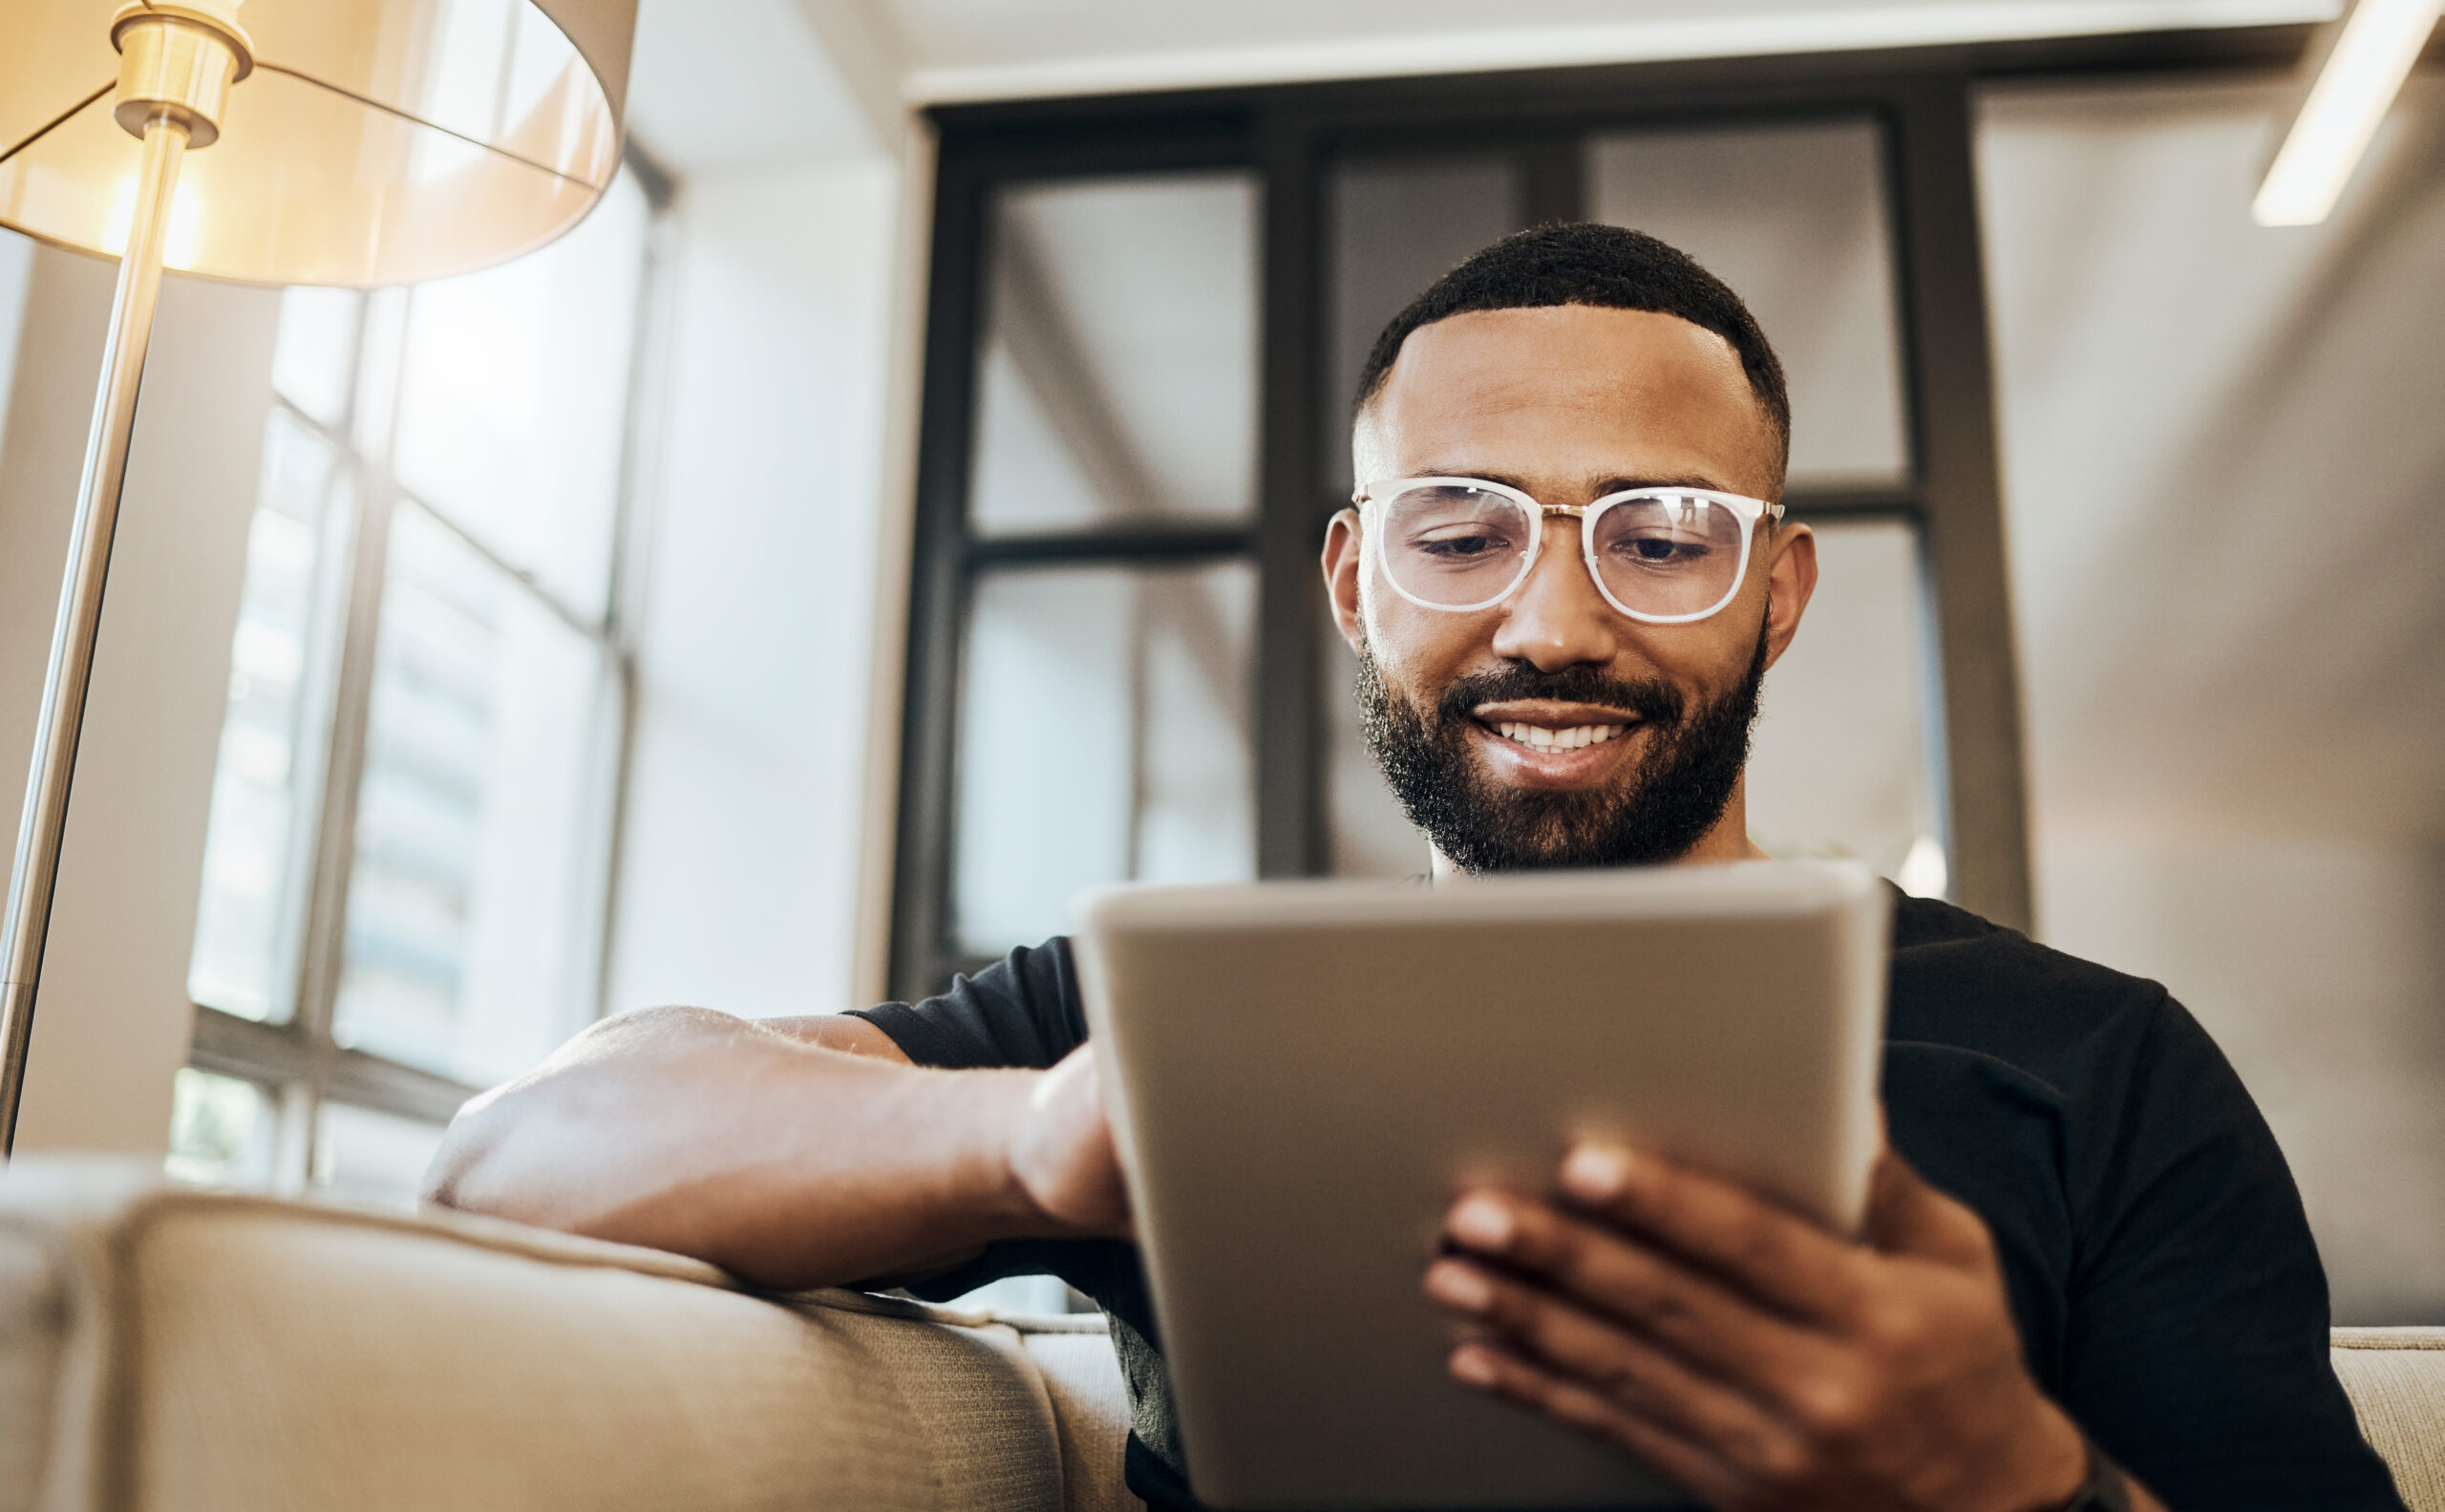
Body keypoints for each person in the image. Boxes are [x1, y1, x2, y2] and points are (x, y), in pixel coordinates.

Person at [423, 224, 2404, 1512]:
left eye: (1659, 533)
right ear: (1356, 583)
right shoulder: (1160, 1031)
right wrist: (1047, 1139)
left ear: (1775, 594)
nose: (1555, 619)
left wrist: (2000, 1480)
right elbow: (519, 1156)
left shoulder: (2096, 1065)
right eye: (1458, 531)